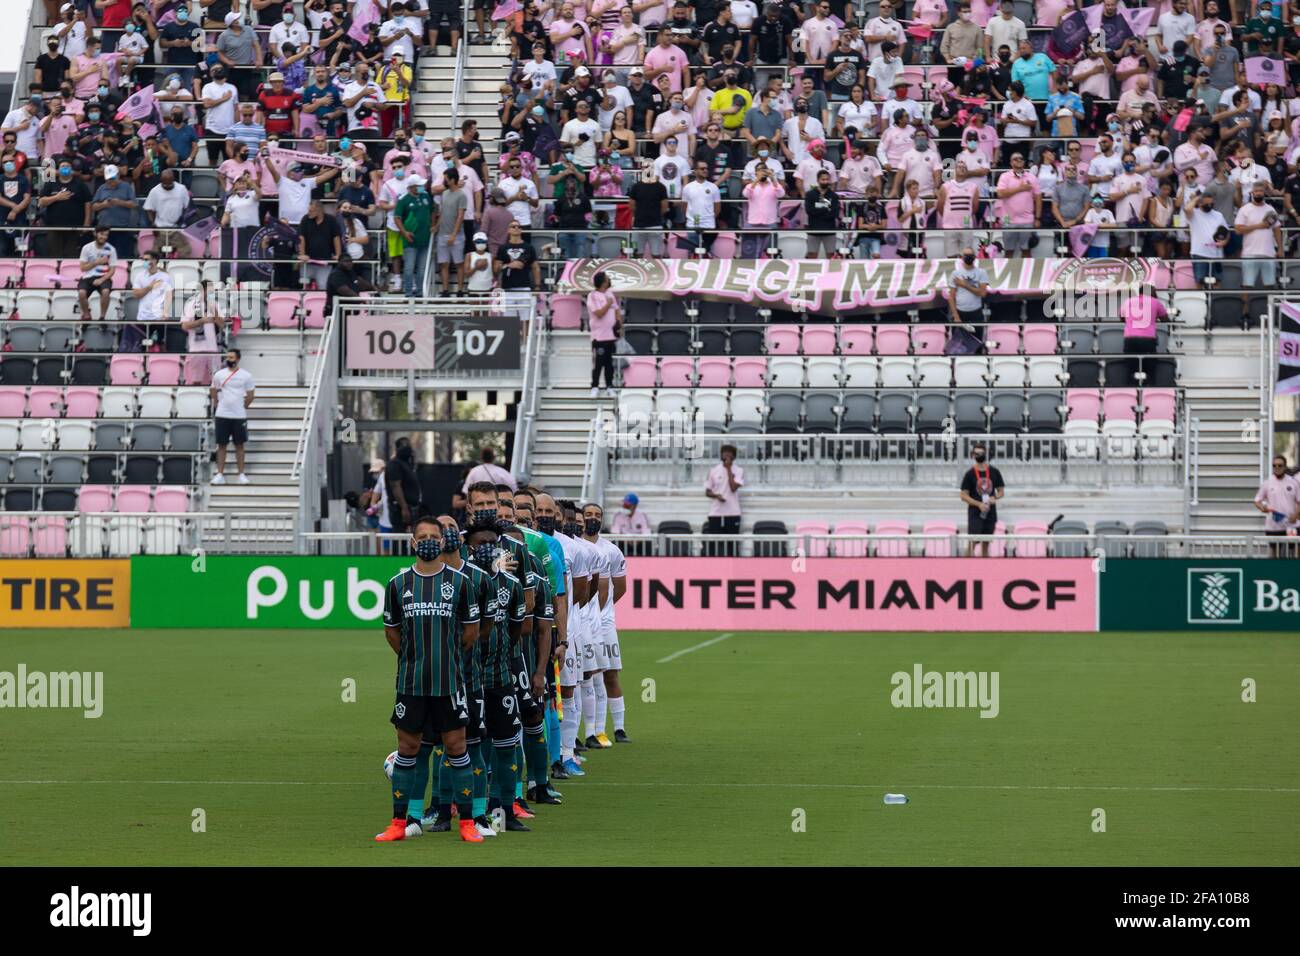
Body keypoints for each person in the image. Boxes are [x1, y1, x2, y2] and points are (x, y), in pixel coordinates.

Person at [375, 515, 483, 844]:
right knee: (407, 748)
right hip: (411, 683)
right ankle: (399, 822)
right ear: (412, 542)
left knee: (456, 747)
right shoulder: (398, 584)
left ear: (442, 540)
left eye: (433, 536)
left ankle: (466, 822)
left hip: (449, 683)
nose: (428, 541)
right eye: (421, 536)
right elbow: (392, 633)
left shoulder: (460, 583)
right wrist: (413, 658)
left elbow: (471, 633)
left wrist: (443, 658)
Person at [581, 502, 629, 745]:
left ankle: (618, 728)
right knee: (585, 676)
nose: (592, 518)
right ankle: (593, 731)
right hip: (580, 623)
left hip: (604, 624)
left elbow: (619, 588)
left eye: (596, 515)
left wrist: (601, 612)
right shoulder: (575, 547)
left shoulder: (612, 551)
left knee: (610, 674)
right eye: (587, 514)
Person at [210, 348, 255, 486]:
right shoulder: (219, 374)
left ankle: (241, 474)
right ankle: (220, 474)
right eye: (227, 357)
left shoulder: (246, 376)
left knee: (239, 445)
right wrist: (217, 404)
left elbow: (251, 395)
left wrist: (242, 407)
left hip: (239, 416)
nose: (229, 360)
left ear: (238, 359)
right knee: (221, 445)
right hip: (222, 414)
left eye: (231, 357)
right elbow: (213, 389)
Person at [960, 443, 1004, 557]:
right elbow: (963, 495)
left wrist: (995, 497)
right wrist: (978, 504)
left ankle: (985, 569)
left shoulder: (994, 471)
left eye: (981, 453)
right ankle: (966, 567)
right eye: (976, 453)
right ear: (972, 455)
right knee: (972, 542)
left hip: (990, 511)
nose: (979, 455)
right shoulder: (969, 474)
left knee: (986, 542)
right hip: (975, 512)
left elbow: (1001, 491)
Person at [703, 444, 744, 556]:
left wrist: (729, 469)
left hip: (733, 512)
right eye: (724, 452)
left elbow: (733, 487)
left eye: (729, 452)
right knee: (714, 545)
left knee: (732, 545)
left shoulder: (739, 470)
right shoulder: (713, 470)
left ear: (733, 456)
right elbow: (707, 491)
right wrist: (716, 496)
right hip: (716, 513)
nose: (726, 454)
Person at [586, 272, 622, 397]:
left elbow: (617, 310)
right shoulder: (592, 296)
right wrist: (608, 303)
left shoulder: (609, 293)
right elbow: (599, 313)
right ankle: (594, 387)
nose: (609, 281)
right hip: (599, 337)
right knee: (598, 364)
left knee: (609, 364)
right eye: (607, 280)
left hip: (611, 336)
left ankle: (609, 387)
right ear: (602, 282)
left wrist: (619, 326)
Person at [1254, 456, 1300, 556]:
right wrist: (1262, 507)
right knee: (1274, 555)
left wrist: (1296, 515)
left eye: (1280, 465)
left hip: (1291, 525)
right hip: (1273, 526)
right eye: (1274, 466)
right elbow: (1257, 500)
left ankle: (1295, 571)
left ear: (1285, 467)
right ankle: (1274, 571)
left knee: (1296, 552)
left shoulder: (1294, 482)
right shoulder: (1267, 483)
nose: (1277, 468)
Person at [395, 176, 432, 296]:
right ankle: (408, 292)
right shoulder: (403, 200)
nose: (422, 187)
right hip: (410, 240)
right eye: (419, 185)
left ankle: (420, 291)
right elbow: (397, 218)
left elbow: (433, 211)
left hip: (425, 238)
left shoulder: (426, 196)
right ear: (411, 187)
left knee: (421, 268)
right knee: (409, 268)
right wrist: (404, 232)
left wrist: (434, 225)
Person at [947, 247, 990, 345]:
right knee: (958, 345)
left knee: (976, 343)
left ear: (974, 257)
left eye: (970, 255)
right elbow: (951, 297)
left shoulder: (981, 273)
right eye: (966, 255)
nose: (968, 258)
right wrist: (956, 317)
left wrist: (965, 285)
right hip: (960, 313)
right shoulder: (956, 273)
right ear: (962, 257)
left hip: (976, 314)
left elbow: (982, 293)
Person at [78, 226, 117, 321]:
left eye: (106, 235)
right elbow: (82, 268)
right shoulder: (86, 248)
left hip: (104, 277)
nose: (103, 237)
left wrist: (101, 280)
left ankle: (102, 317)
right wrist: (96, 262)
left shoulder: (111, 249)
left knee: (106, 292)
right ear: (95, 233)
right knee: (81, 293)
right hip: (87, 276)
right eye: (101, 234)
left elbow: (112, 270)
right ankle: (87, 315)